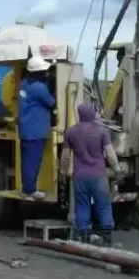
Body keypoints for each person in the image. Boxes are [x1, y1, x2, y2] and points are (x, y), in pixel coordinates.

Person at [60, 102, 122, 246]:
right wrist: (117, 169)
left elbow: (65, 156)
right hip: (99, 176)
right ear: (92, 114)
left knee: (82, 205)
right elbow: (110, 153)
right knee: (104, 206)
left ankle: (84, 239)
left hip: (80, 176)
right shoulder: (101, 131)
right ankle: (107, 240)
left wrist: (63, 173)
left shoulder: (71, 132)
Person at [18, 56, 56, 200]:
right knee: (33, 161)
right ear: (38, 72)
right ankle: (29, 190)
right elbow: (52, 103)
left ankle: (27, 188)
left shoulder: (24, 84)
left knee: (27, 160)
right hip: (36, 130)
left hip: (26, 128)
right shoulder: (39, 88)